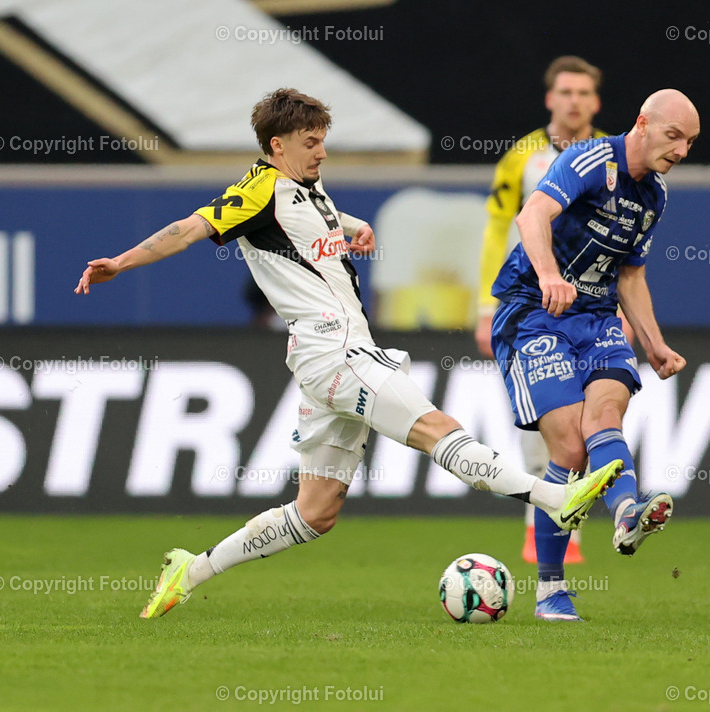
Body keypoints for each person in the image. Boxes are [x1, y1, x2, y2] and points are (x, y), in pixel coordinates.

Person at [74, 88, 622, 620]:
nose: (322, 151)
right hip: (335, 351)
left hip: (323, 362)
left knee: (315, 513)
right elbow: (187, 229)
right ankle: (554, 498)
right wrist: (120, 263)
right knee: (437, 429)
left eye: (322, 140)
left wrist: (356, 228)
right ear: (277, 144)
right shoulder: (258, 190)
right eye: (311, 142)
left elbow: (319, 226)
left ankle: (189, 572)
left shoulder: (307, 189)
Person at [491, 88, 699, 621]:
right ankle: (549, 591)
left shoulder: (656, 196)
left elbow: (631, 273)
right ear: (642, 122)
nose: (680, 150)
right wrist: (548, 276)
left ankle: (627, 513)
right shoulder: (590, 159)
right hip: (533, 310)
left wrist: (655, 344)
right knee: (568, 447)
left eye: (690, 142)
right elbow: (531, 216)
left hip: (599, 318)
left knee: (607, 414)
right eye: (673, 136)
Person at [476, 56, 611, 566]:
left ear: (594, 103)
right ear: (550, 98)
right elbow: (497, 230)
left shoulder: (609, 159)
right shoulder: (521, 158)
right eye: (566, 92)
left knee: (586, 420)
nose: (574, 101)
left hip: (590, 308)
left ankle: (563, 526)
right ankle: (550, 528)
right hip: (530, 304)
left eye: (583, 93)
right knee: (540, 420)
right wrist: (485, 307)